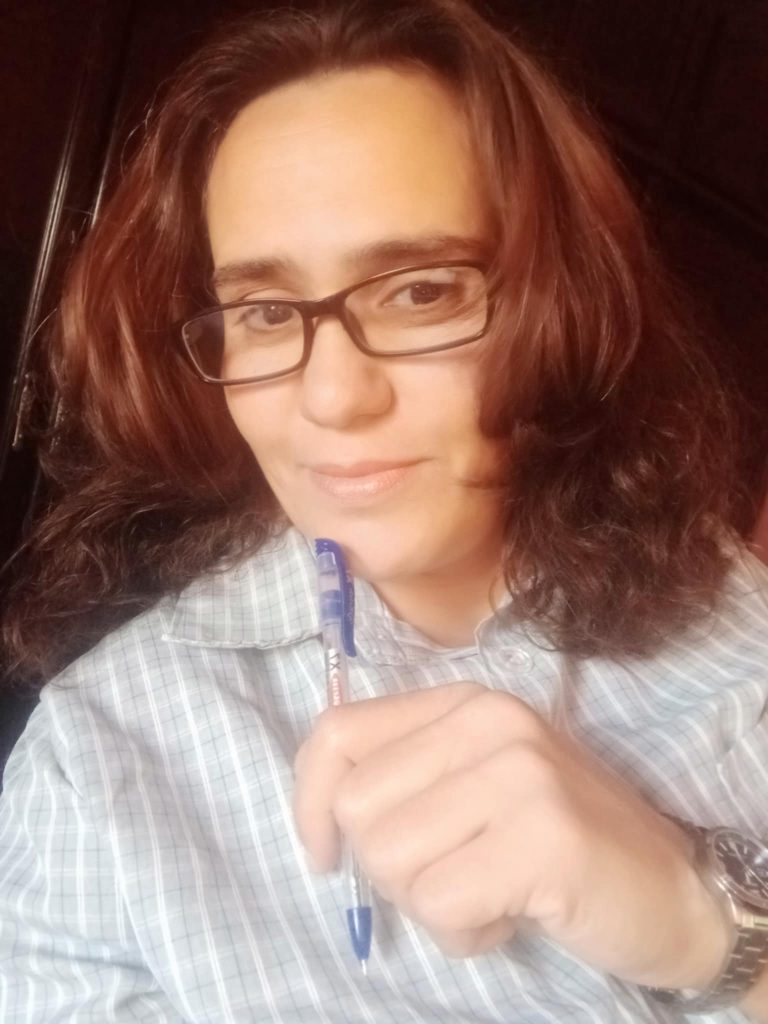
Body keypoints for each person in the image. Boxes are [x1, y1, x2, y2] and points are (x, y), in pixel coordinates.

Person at [1, 0, 767, 1020]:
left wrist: (707, 929)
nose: (333, 398)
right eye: (264, 312)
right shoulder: (99, 764)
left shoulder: (734, 615)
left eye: (419, 292)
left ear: (558, 304)